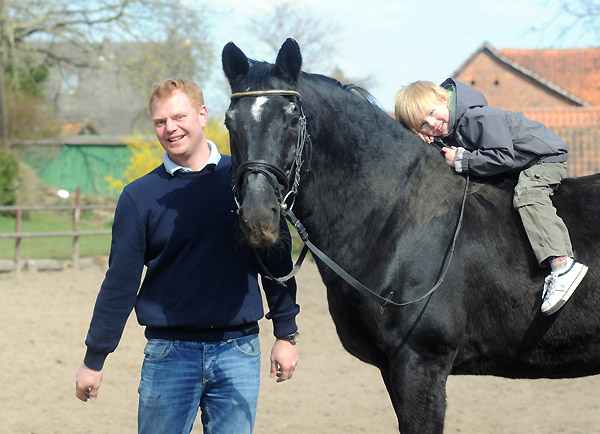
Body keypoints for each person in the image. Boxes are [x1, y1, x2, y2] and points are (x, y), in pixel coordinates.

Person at [75, 78, 300, 434]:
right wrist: (94, 358)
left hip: (238, 352)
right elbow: (120, 283)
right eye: (160, 122)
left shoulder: (247, 183)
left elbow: (276, 261)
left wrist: (286, 333)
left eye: (179, 117)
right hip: (169, 355)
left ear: (202, 114)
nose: (170, 128)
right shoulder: (139, 197)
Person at [395, 78, 588, 316]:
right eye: (423, 125)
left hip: (543, 156)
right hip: (521, 162)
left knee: (528, 195)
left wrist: (462, 160)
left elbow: (503, 156)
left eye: (433, 113)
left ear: (444, 99)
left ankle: (562, 264)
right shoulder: (451, 129)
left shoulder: (476, 118)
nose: (433, 124)